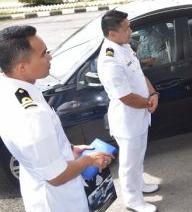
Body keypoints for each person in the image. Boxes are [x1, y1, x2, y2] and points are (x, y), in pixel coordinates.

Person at [0, 25, 113, 212]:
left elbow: (37, 149)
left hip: (40, 189)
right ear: (22, 67)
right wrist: (89, 160)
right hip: (59, 202)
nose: (50, 57)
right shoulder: (32, 114)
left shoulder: (9, 88)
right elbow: (57, 175)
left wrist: (71, 150)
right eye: (44, 54)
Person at [97, 10, 160, 212]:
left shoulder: (124, 47)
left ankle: (139, 184)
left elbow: (140, 74)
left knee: (139, 156)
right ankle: (133, 199)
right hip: (127, 119)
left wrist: (153, 93)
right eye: (126, 28)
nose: (131, 31)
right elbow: (125, 97)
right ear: (112, 34)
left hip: (140, 114)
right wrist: (148, 103)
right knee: (129, 163)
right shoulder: (109, 59)